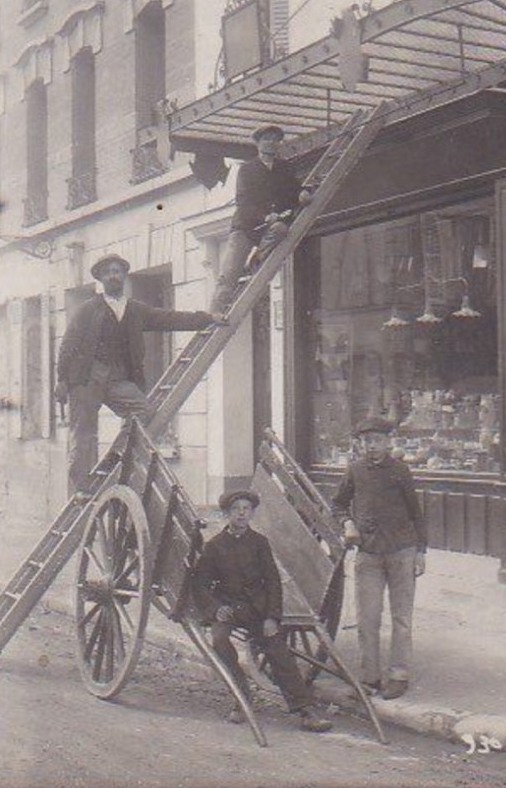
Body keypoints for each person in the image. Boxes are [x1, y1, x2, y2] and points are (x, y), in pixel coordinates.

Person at [54, 254, 220, 493]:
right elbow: (67, 346)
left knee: (143, 411)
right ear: (100, 278)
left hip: (117, 379)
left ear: (124, 276)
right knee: (83, 435)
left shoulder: (134, 310)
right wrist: (61, 380)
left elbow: (168, 318)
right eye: (108, 272)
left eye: (118, 271)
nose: (113, 275)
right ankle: (81, 487)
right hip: (86, 379)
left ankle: (116, 455)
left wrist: (206, 319)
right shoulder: (86, 309)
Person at [189, 490, 333, 733]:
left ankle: (305, 710)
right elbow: (200, 583)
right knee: (219, 640)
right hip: (229, 608)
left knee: (277, 649)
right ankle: (241, 695)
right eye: (236, 509)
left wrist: (272, 617)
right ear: (228, 514)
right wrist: (216, 608)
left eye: (246, 509)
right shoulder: (215, 546)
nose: (242, 513)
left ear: (252, 513)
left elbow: (273, 582)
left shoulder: (259, 542)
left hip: (257, 609)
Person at [332, 418, 427, 700]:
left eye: (376, 440)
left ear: (388, 442)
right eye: (366, 440)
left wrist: (421, 551)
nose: (371, 446)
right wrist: (347, 523)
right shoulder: (355, 471)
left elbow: (415, 512)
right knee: (367, 618)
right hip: (369, 555)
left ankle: (398, 675)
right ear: (360, 443)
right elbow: (337, 504)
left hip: (401, 551)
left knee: (401, 618)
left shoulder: (400, 471)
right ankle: (369, 677)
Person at [211, 123, 308, 314]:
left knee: (281, 229)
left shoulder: (285, 168)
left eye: (274, 140)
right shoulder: (247, 169)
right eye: (266, 139)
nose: (271, 143)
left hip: (268, 229)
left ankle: (257, 259)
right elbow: (243, 201)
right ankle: (211, 315)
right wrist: (265, 216)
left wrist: (303, 193)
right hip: (245, 228)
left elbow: (294, 190)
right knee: (227, 278)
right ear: (258, 144)